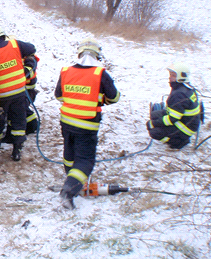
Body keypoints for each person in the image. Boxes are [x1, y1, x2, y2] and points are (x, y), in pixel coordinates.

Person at [54, 38, 120, 209]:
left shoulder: (66, 71)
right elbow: (114, 97)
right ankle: (69, 189)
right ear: (97, 55)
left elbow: (59, 96)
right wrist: (98, 98)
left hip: (67, 121)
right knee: (85, 160)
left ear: (79, 53)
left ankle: (72, 178)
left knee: (69, 152)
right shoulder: (100, 74)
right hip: (87, 124)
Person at [0, 24, 37, 161]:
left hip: (1, 96)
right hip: (19, 93)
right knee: (19, 121)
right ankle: (17, 151)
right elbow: (32, 49)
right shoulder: (14, 45)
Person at [146, 62, 203, 149]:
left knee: (154, 132)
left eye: (173, 75)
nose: (170, 77)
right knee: (153, 115)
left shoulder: (179, 94)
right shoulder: (184, 88)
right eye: (170, 74)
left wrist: (154, 123)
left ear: (181, 77)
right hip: (187, 120)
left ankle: (177, 142)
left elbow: (173, 118)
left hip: (185, 127)